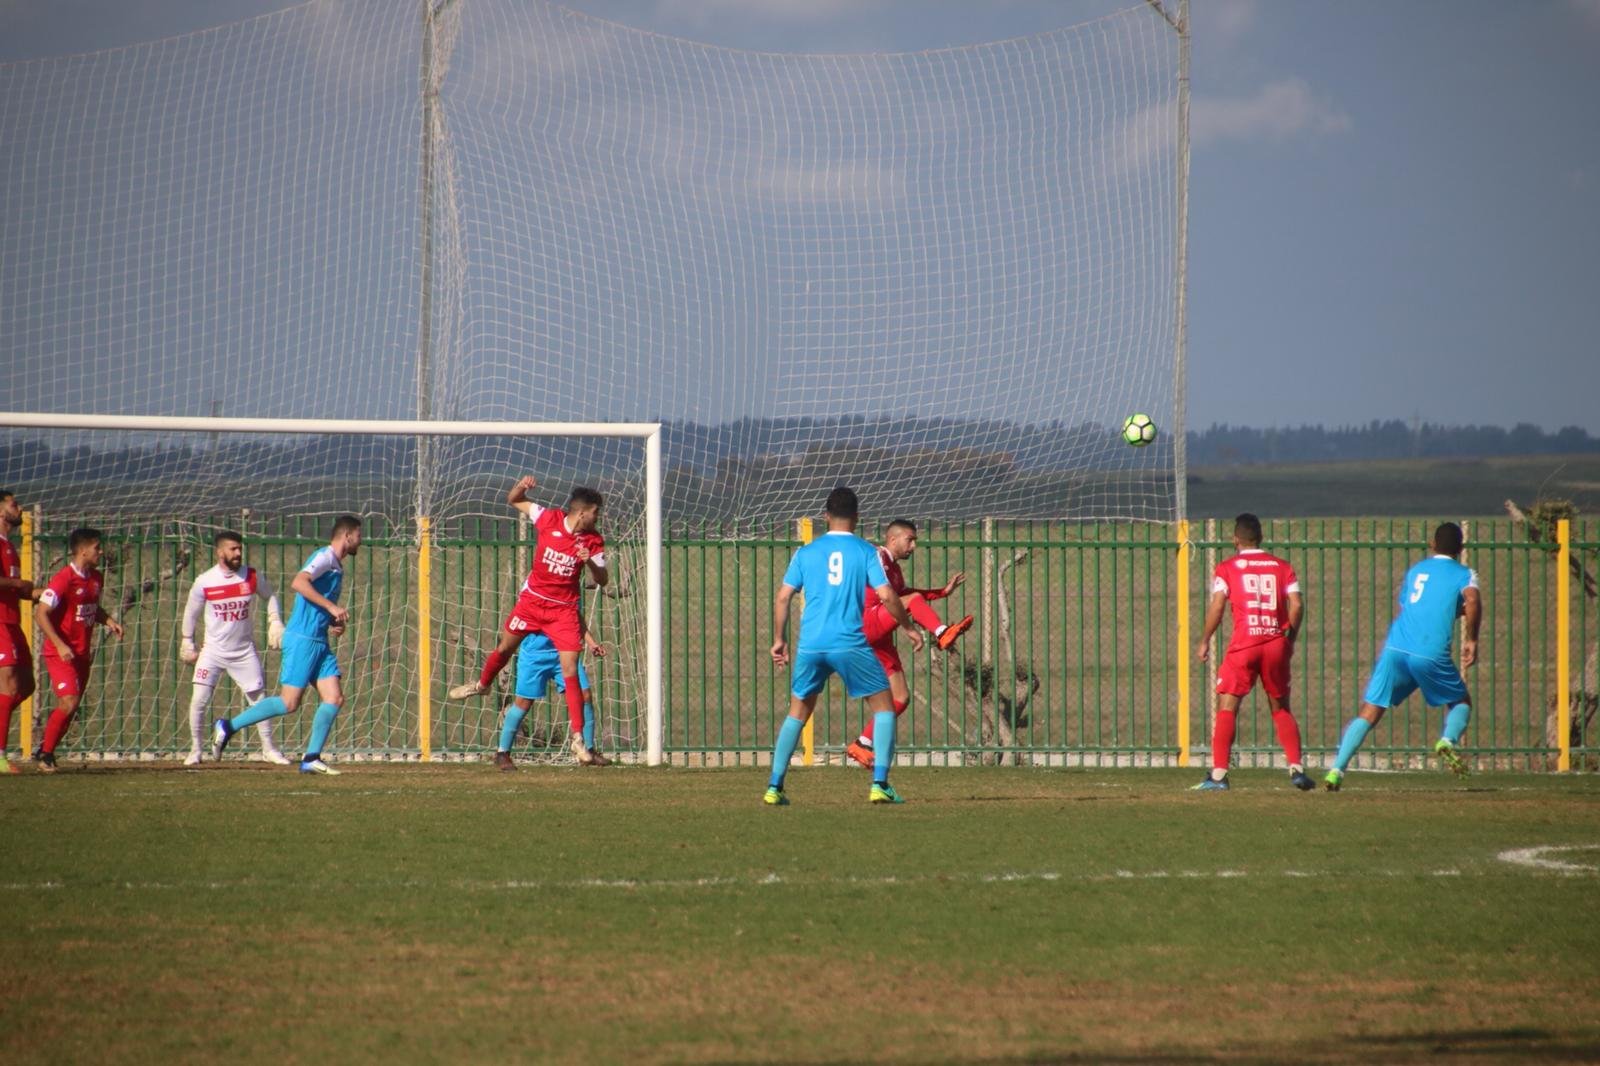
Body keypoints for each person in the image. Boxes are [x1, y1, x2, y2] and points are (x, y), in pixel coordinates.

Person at [766, 487, 918, 805]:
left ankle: (774, 788)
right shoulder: (865, 552)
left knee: (798, 712)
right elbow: (888, 596)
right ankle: (880, 784)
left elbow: (783, 597)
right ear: (857, 518)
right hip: (849, 643)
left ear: (825, 517)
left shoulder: (806, 552)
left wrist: (779, 640)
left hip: (811, 645)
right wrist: (907, 627)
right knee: (885, 708)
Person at [448, 477, 608, 766]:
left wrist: (591, 562)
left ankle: (578, 740)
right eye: (596, 513)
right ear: (583, 512)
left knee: (572, 669)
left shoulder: (593, 541)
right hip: (532, 604)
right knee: (504, 649)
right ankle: (482, 686)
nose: (598, 519)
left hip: (563, 611)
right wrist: (522, 487)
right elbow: (514, 500)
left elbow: (603, 579)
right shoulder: (549, 518)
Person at [1325, 522, 1481, 791]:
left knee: (1370, 710)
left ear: (1433, 545)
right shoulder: (1464, 573)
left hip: (1396, 648)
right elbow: (1473, 601)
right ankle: (1448, 740)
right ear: (1460, 548)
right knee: (1461, 701)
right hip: (1429, 652)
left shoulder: (1416, 571)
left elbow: (1414, 606)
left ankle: (1336, 769)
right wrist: (1472, 639)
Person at [210, 515, 362, 775]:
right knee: (289, 703)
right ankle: (227, 726)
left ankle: (311, 758)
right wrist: (331, 606)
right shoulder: (324, 557)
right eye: (359, 534)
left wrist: (333, 621)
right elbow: (299, 582)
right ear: (347, 536)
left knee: (334, 698)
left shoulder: (337, 566)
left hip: (319, 640)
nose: (361, 540)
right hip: (302, 640)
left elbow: (319, 604)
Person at [1192, 513, 1312, 791]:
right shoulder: (1282, 566)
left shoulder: (1227, 568)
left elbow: (1218, 606)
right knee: (1280, 707)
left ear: (1235, 539)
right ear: (1261, 538)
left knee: (1227, 707)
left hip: (1245, 645)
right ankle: (1296, 769)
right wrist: (1289, 640)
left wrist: (1204, 639)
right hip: (1275, 644)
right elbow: (1296, 605)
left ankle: (1219, 776)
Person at [845, 518, 971, 769]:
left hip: (879, 636)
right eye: (910, 540)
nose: (914, 546)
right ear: (892, 539)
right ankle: (942, 632)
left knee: (901, 697)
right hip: (866, 623)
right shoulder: (876, 557)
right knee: (912, 601)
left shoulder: (894, 569)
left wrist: (941, 592)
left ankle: (861, 743)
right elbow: (901, 599)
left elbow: (905, 597)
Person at [179, 529, 288, 765]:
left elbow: (270, 595)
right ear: (220, 552)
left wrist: (275, 621)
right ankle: (195, 750)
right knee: (198, 699)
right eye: (233, 549)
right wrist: (187, 640)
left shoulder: (251, 576)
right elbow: (191, 612)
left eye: (240, 548)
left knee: (259, 701)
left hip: (244, 652)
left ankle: (269, 750)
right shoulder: (205, 581)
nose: (238, 552)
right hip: (213, 652)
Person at [34, 527, 124, 772]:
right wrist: (61, 644)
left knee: (71, 708)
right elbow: (41, 614)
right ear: (83, 550)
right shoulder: (64, 578)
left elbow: (92, 609)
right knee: (69, 702)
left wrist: (109, 621)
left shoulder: (96, 578)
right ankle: (45, 754)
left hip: (81, 653)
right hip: (60, 652)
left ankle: (46, 750)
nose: (101, 551)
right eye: (97, 547)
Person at [492, 629, 608, 770]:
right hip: (534, 655)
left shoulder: (570, 605)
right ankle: (502, 753)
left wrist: (591, 642)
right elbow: (518, 622)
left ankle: (588, 750)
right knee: (523, 703)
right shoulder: (531, 606)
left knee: (585, 695)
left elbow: (577, 617)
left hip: (565, 651)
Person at [0, 490, 44, 774]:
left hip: (12, 621)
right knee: (10, 684)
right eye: (14, 504)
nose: (20, 508)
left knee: (27, 685)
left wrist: (40, 593)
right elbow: (11, 584)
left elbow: (16, 587)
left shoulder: (9, 547)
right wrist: (18, 586)